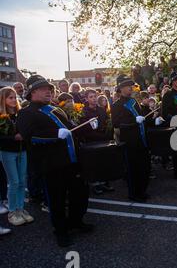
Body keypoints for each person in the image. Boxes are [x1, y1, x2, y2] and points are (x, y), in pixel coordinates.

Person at [17, 75, 93, 247]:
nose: (49, 91)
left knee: (79, 194)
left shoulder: (56, 109)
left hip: (73, 160)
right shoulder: (26, 112)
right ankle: (60, 231)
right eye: (44, 88)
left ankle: (76, 221)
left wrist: (87, 125)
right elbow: (31, 137)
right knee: (56, 199)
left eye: (49, 88)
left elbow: (72, 129)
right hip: (52, 164)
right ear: (33, 92)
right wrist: (54, 135)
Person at [111, 75, 151, 202]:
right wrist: (134, 120)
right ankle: (134, 193)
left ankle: (142, 190)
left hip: (142, 139)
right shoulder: (116, 105)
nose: (130, 88)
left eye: (131, 86)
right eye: (127, 86)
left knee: (144, 167)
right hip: (130, 142)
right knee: (133, 169)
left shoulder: (134, 101)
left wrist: (151, 118)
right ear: (121, 89)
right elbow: (116, 123)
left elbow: (142, 116)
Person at [0, 87, 33, 226]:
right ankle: (12, 211)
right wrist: (14, 137)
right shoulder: (1, 116)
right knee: (13, 182)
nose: (13, 100)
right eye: (10, 97)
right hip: (7, 152)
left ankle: (21, 208)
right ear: (3, 99)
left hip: (22, 151)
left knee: (21, 181)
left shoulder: (21, 114)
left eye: (14, 97)